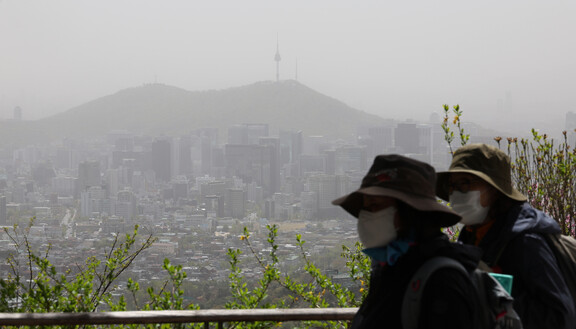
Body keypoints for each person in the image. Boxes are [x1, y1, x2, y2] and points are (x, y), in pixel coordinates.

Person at [332, 154, 482, 329]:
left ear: (410, 212)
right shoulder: (391, 268)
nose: (365, 216)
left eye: (375, 206)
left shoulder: (442, 280)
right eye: (365, 208)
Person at [436, 143, 575, 329]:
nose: (456, 193)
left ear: (494, 190)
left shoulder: (525, 241)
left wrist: (495, 292)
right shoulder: (471, 234)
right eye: (453, 186)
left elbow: (560, 318)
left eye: (466, 183)